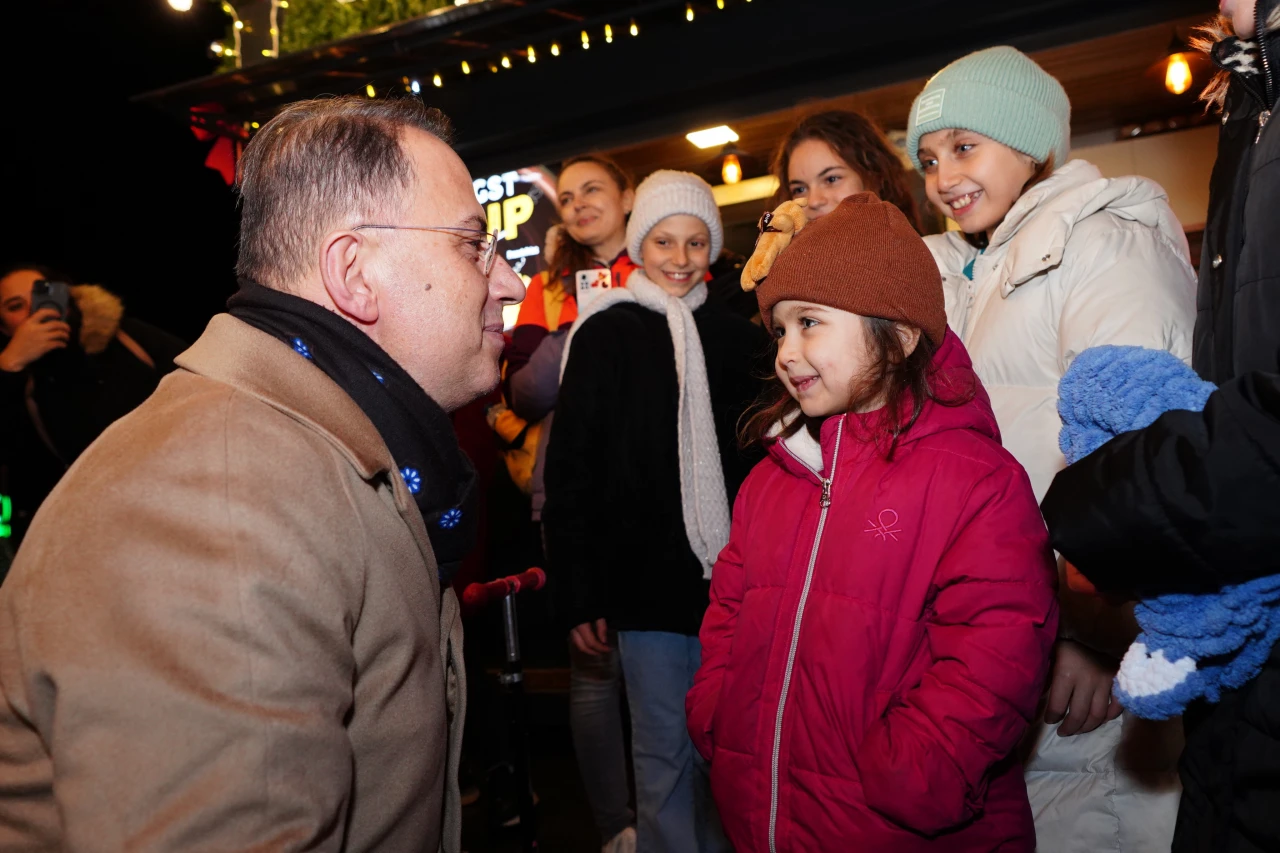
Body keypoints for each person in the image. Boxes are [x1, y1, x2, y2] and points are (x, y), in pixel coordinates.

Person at [0, 95, 524, 851]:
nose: (504, 280)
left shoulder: (324, 451)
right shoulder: (216, 499)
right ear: (354, 271)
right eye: (473, 244)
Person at [686, 192, 1058, 851]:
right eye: (779, 329)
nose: (786, 352)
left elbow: (997, 647)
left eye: (811, 324)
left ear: (901, 333)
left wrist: (917, 766)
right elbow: (728, 614)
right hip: (767, 815)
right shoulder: (774, 476)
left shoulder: (976, 481)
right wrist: (717, 713)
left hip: (903, 825)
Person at [906, 45, 1197, 852]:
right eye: (929, 158)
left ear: (1033, 145)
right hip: (1010, 641)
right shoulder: (981, 269)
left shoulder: (1102, 240)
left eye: (965, 146)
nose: (942, 175)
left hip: (1085, 653)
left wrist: (1101, 630)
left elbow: (1140, 460)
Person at [1042, 2, 1280, 850]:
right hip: (1242, 663)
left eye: (965, 144)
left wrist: (1088, 519)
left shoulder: (1106, 242)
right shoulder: (1255, 103)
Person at [543, 170, 766, 853]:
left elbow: (759, 464)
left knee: (732, 755)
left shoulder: (740, 339)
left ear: (713, 248)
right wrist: (580, 591)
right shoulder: (605, 334)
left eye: (696, 242)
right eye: (665, 240)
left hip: (734, 589)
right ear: (640, 243)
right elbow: (573, 469)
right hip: (643, 589)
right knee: (664, 754)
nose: (680, 256)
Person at [497, 153, 639, 853]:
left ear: (629, 196)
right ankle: (617, 828)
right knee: (594, 664)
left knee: (670, 661)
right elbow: (522, 391)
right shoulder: (547, 289)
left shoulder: (669, 265)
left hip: (658, 496)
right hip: (573, 496)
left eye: (595, 190)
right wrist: (581, 325)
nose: (579, 203)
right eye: (570, 194)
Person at [0, 264, 186, 545]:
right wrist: (9, 366)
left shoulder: (122, 336)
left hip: (178, 493)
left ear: (65, 297)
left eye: (43, 294)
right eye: (15, 306)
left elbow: (200, 378)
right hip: (95, 529)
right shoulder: (21, 384)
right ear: (3, 327)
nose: (33, 312)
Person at [771, 109, 926, 229]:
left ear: (875, 176)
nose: (814, 201)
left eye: (831, 179)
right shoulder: (789, 268)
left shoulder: (923, 259)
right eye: (799, 189)